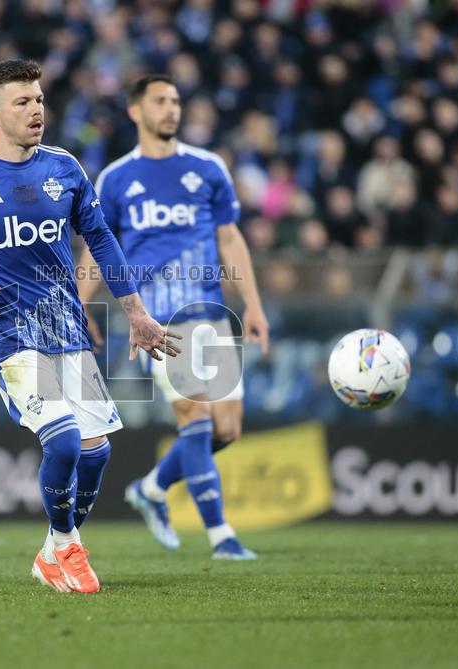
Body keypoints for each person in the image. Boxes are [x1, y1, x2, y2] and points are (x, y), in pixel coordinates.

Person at [0, 60, 179, 593]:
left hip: (67, 327)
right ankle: (68, 547)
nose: (36, 111)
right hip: (7, 332)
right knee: (63, 444)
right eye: (22, 103)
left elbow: (100, 239)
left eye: (38, 100)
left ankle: (52, 550)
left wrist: (136, 312)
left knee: (98, 451)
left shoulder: (65, 168)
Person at [78, 74, 270, 560]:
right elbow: (101, 247)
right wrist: (81, 302)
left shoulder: (207, 168)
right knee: (196, 415)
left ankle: (151, 489)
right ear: (135, 111)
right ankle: (222, 536)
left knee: (226, 429)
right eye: (160, 101)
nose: (172, 109)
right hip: (158, 320)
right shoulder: (117, 178)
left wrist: (253, 304)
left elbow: (230, 238)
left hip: (212, 313)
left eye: (176, 101)